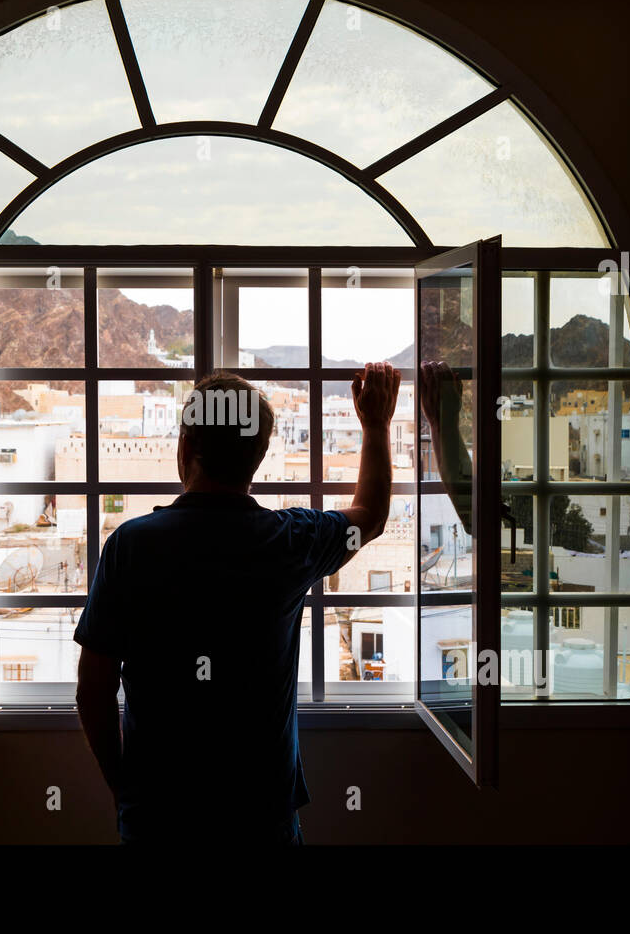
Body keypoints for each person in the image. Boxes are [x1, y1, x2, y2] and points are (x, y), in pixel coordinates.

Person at [73, 361, 465, 845]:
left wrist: (124, 789)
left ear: (186, 446)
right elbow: (371, 515)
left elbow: (93, 690)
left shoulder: (131, 547)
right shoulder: (288, 542)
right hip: (261, 815)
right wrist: (377, 425)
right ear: (257, 457)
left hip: (158, 814)